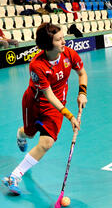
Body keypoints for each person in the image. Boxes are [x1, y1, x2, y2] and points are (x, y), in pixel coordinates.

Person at [2, 23, 87, 195]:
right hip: (33, 102)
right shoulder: (37, 65)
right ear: (48, 44)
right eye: (59, 40)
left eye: (63, 38)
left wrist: (82, 92)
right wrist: (70, 116)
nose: (64, 42)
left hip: (55, 107)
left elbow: (82, 73)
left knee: (46, 143)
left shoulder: (69, 54)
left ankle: (15, 176)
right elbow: (48, 94)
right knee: (30, 133)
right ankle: (21, 133)